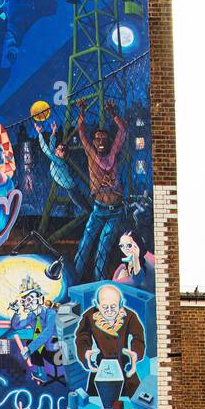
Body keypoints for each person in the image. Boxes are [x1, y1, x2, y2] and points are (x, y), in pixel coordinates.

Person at [74, 102, 127, 281]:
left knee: (102, 251)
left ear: (109, 141)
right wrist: (82, 111)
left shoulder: (112, 154)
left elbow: (123, 131)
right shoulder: (91, 153)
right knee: (84, 246)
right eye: (98, 139)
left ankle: (100, 287)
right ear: (94, 142)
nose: (101, 142)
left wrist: (113, 113)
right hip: (98, 210)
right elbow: (81, 131)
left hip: (114, 211)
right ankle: (73, 283)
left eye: (104, 139)